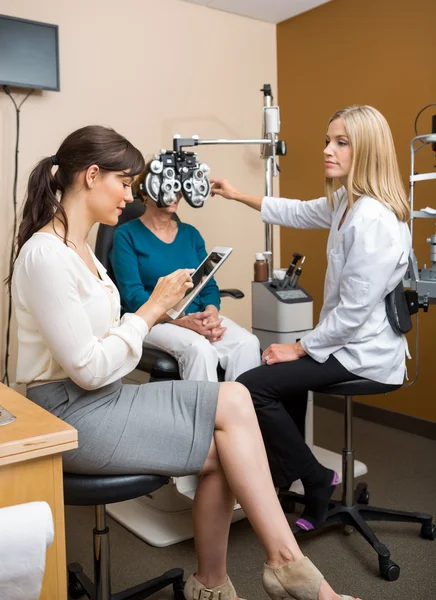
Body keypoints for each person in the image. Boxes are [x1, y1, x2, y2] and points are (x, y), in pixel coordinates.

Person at [10, 125, 359, 600]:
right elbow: (89, 368)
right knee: (225, 445)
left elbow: (106, 341)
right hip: (67, 414)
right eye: (125, 183)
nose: (131, 196)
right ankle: (286, 571)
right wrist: (154, 309)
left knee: (232, 411)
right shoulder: (46, 255)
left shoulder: (82, 249)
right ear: (92, 176)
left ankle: (229, 579)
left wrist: (170, 312)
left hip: (103, 397)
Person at [211, 105, 411, 533]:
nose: (328, 150)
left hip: (364, 351)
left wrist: (300, 346)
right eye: (328, 140)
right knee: (278, 373)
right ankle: (294, 477)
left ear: (368, 150)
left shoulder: (373, 218)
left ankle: (314, 478)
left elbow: (355, 313)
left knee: (250, 387)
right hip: (344, 340)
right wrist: (237, 194)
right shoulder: (347, 202)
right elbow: (299, 212)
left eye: (341, 142)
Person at [109, 165, 261, 382]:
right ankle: (202, 415)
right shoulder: (126, 235)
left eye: (178, 187)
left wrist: (211, 313)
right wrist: (182, 320)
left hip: (198, 317)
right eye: (167, 186)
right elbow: (133, 297)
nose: (176, 194)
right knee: (199, 349)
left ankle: (239, 414)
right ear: (145, 192)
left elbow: (208, 285)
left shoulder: (190, 234)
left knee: (248, 343)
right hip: (155, 321)